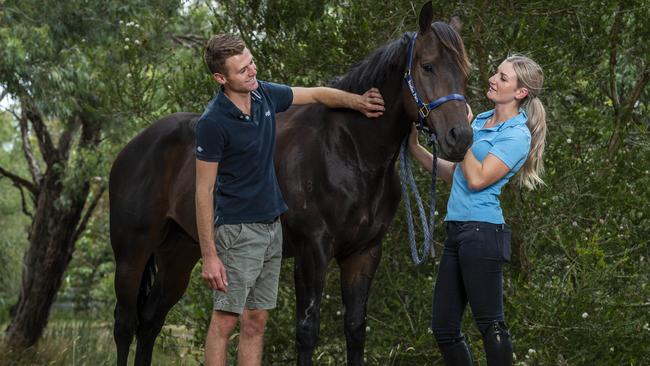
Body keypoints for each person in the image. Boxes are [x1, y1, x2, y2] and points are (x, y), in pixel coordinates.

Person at [194, 33, 385, 366]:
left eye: (251, 62)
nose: (252, 71)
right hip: (237, 230)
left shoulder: (264, 94)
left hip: (272, 228)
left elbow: (314, 94)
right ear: (220, 78)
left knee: (256, 321)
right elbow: (203, 191)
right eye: (242, 70)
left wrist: (357, 101)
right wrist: (209, 255)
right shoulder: (213, 122)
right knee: (225, 321)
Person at [409, 55, 547, 365]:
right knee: (444, 328)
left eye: (503, 77)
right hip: (458, 230)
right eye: (497, 73)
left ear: (520, 92)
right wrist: (415, 148)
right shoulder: (482, 119)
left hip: (483, 233)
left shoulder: (517, 135)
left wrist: (465, 135)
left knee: (491, 324)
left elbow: (477, 178)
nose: (493, 79)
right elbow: (456, 174)